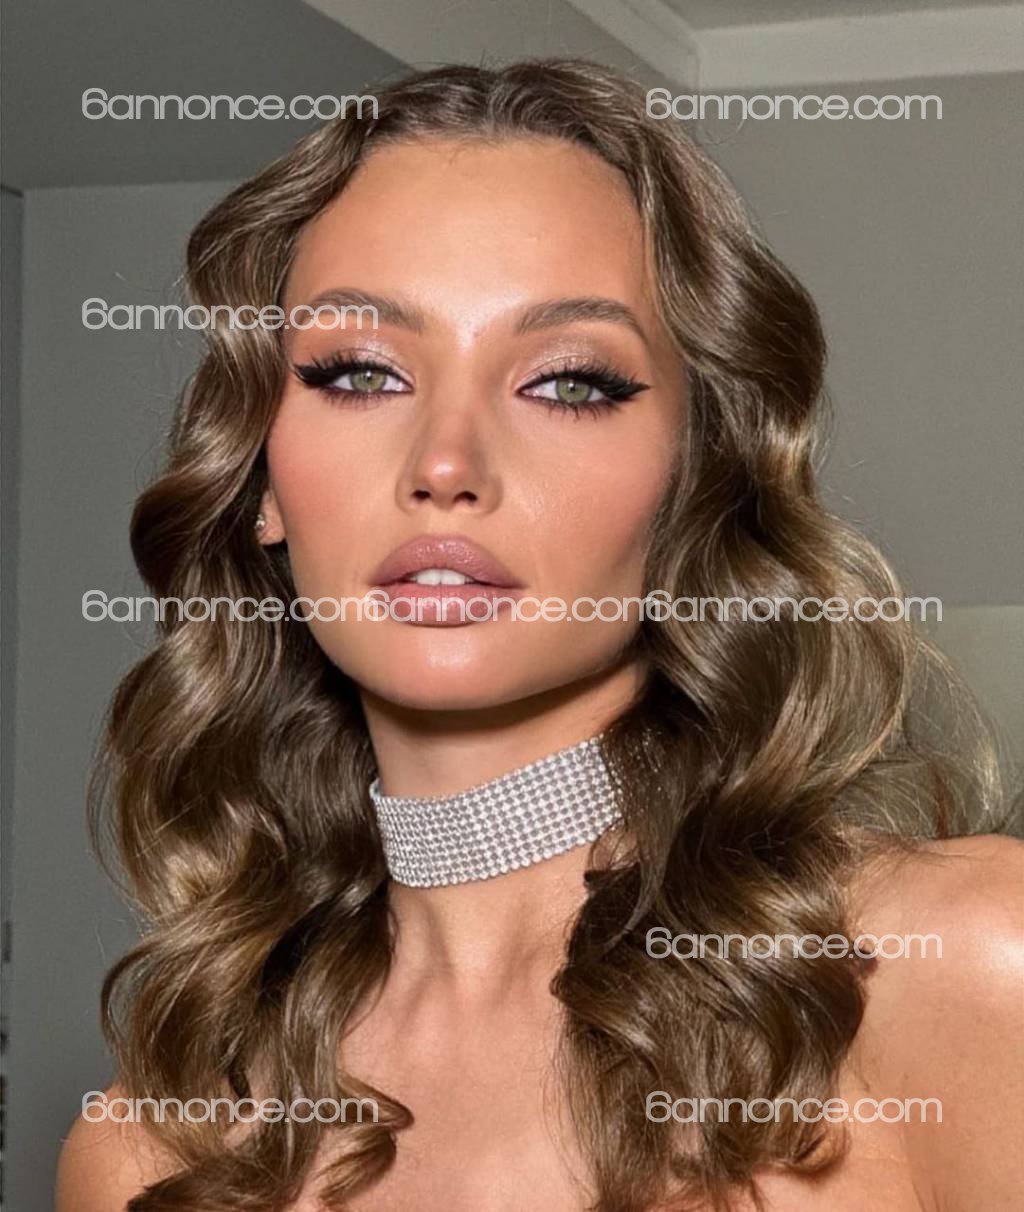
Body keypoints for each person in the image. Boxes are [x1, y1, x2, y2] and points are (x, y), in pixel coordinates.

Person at [56, 59, 1022, 1212]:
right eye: (359, 373)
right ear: (261, 478)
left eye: (568, 383)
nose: (445, 464)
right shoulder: (154, 1150)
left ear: (694, 479)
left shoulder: (959, 973)